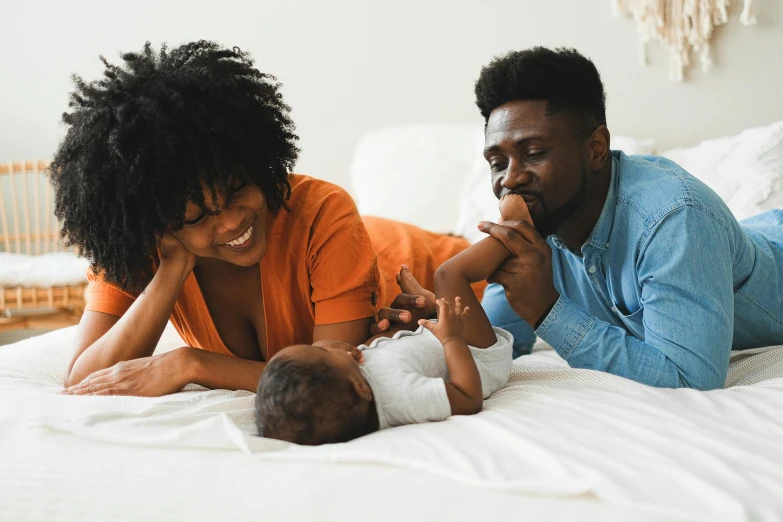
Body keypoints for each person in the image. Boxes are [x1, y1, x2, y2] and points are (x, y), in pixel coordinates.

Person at [55, 40, 480, 397]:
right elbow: (83, 380)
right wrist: (173, 268)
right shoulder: (139, 245)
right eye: (198, 216)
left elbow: (334, 378)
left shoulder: (323, 213)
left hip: (426, 264)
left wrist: (189, 364)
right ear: (156, 223)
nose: (231, 222)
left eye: (238, 189)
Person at [470, 47, 783, 390]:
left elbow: (690, 379)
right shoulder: (538, 220)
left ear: (596, 149)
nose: (510, 179)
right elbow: (499, 345)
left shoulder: (674, 218)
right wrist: (438, 323)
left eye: (534, 154)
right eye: (498, 162)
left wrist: (547, 309)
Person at [255, 194, 530, 444]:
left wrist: (414, 320)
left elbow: (394, 352)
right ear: (361, 389)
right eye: (322, 352)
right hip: (478, 355)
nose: (325, 344)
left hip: (439, 336)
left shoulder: (349, 378)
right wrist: (452, 339)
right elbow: (468, 397)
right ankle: (517, 231)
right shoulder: (400, 396)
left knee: (423, 302)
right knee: (449, 275)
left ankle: (432, 303)